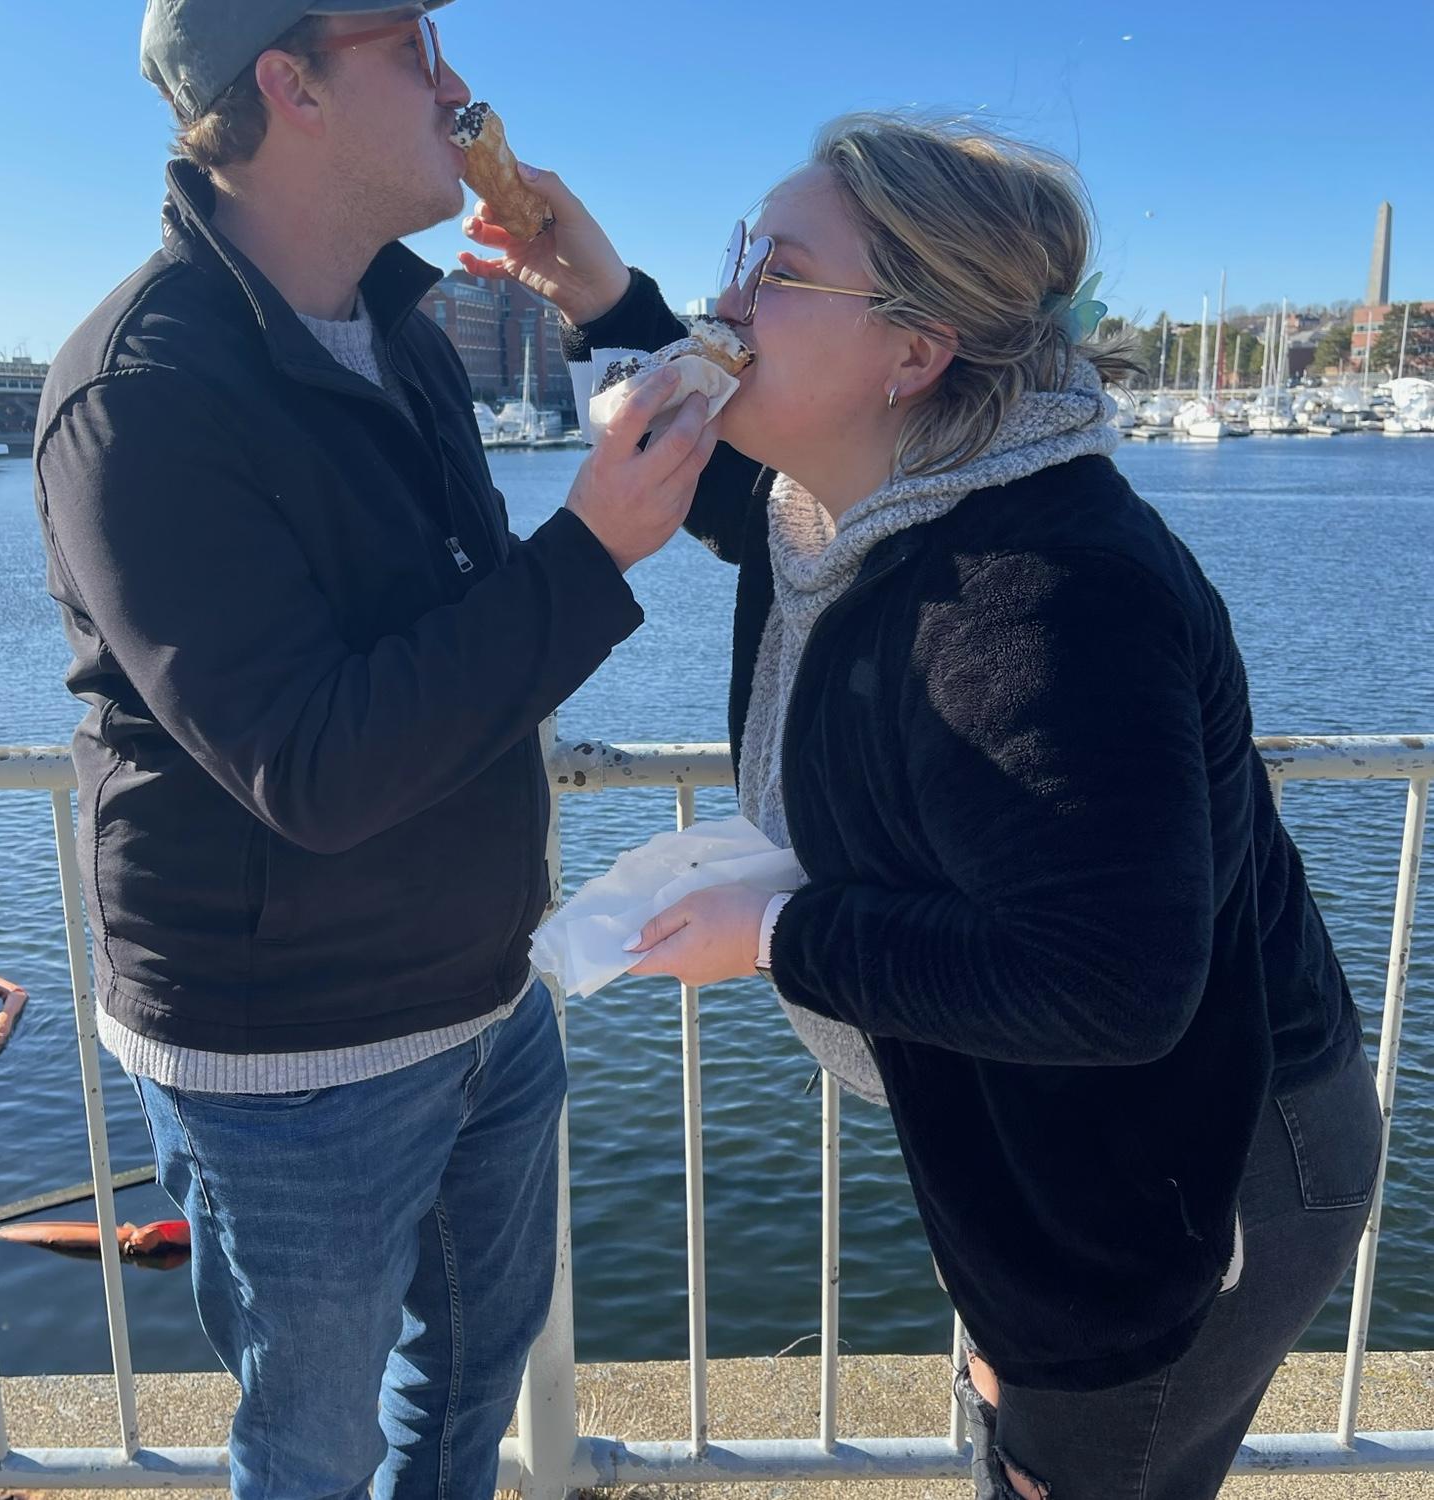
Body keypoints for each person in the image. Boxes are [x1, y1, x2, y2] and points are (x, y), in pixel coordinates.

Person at [462, 113, 1383, 1500]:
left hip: (1203, 1181)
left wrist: (781, 939)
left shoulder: (1048, 599)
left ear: (914, 348)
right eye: (736, 256)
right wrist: (595, 286)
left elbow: (1113, 986)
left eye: (776, 270)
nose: (728, 304)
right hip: (1063, 1153)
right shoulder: (836, 503)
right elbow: (713, 485)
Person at [32, 4, 715, 1495]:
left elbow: (446, 646)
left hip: (486, 1003)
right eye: (410, 41)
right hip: (283, 1071)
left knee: (463, 1401)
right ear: (290, 84)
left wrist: (610, 302)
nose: (461, 84)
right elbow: (315, 766)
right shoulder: (137, 394)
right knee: (312, 1454)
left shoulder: (401, 332)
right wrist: (593, 549)